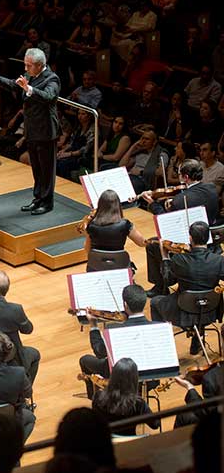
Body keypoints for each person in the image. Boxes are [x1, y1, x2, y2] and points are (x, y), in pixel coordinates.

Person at [0, 48, 60, 214]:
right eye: (25, 65)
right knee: (36, 167)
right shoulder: (31, 75)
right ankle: (38, 198)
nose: (26, 69)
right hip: (32, 130)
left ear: (39, 65)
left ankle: (47, 202)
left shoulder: (52, 79)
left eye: (29, 66)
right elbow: (14, 85)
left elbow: (48, 97)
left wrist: (29, 89)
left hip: (46, 131)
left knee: (46, 169)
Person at [142, 159, 219, 296]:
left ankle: (161, 285)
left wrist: (153, 203)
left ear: (186, 177)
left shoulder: (180, 200)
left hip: (189, 241)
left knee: (152, 244)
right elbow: (196, 197)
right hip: (210, 238)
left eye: (179, 174)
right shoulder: (212, 189)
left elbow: (165, 220)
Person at [150, 221, 224, 353]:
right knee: (199, 298)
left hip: (184, 310)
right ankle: (197, 337)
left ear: (190, 238)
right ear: (208, 238)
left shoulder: (179, 260)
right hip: (210, 310)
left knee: (155, 302)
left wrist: (165, 257)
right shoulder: (218, 261)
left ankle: (162, 346)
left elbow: (168, 281)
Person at [78, 284, 149, 398]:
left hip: (120, 376)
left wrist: (94, 325)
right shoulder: (157, 326)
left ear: (125, 304)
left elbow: (100, 352)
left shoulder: (115, 329)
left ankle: (94, 399)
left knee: (84, 360)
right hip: (150, 379)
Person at [92, 358, 160, 436]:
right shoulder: (138, 403)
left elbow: (96, 422)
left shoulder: (98, 397)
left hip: (106, 443)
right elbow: (155, 425)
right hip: (128, 444)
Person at [83, 189, 146, 263]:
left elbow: (87, 250)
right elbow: (142, 243)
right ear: (118, 205)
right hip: (119, 266)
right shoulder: (125, 224)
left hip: (97, 266)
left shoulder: (91, 225)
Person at [118, 126, 169, 194]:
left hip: (142, 180)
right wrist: (133, 147)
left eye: (147, 139)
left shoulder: (162, 153)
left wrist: (141, 172)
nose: (143, 141)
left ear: (154, 142)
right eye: (142, 138)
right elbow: (121, 165)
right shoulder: (140, 152)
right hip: (130, 176)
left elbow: (160, 172)